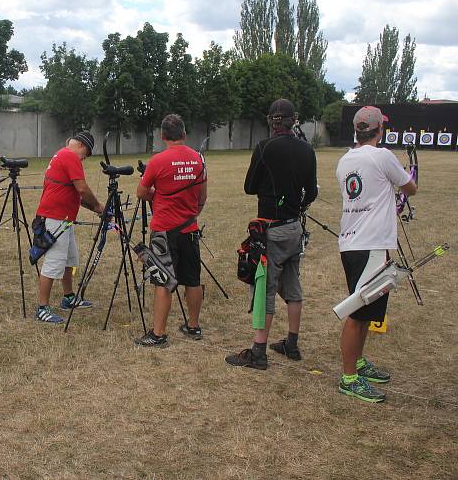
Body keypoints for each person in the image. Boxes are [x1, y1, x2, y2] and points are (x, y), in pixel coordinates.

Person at [225, 98, 318, 370]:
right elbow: (310, 192)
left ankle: (258, 352)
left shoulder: (265, 147)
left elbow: (249, 186)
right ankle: (291, 342)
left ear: (271, 121)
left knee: (264, 287)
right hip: (293, 228)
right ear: (294, 119)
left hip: (271, 230)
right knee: (292, 285)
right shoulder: (306, 149)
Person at [335, 106, 417, 403]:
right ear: (379, 130)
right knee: (358, 313)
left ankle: (357, 363)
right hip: (368, 246)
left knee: (368, 310)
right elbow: (412, 187)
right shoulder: (382, 156)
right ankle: (349, 379)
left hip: (357, 243)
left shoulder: (345, 160)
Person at [134, 114, 207, 346]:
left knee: (162, 281)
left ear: (162, 136)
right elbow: (202, 197)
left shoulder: (157, 161)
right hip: (190, 229)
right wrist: (192, 214)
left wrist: (157, 196)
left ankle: (158, 333)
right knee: (193, 280)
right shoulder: (199, 160)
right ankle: (193, 326)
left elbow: (141, 192)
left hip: (163, 230)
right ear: (184, 134)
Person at [31, 131, 104, 323]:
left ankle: (68, 297)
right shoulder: (70, 156)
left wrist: (96, 208)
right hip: (56, 218)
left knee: (70, 259)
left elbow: (74, 194)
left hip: (63, 218)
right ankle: (42, 308)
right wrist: (98, 206)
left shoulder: (62, 155)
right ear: (81, 146)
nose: (84, 159)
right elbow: (82, 188)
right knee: (54, 262)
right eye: (86, 155)